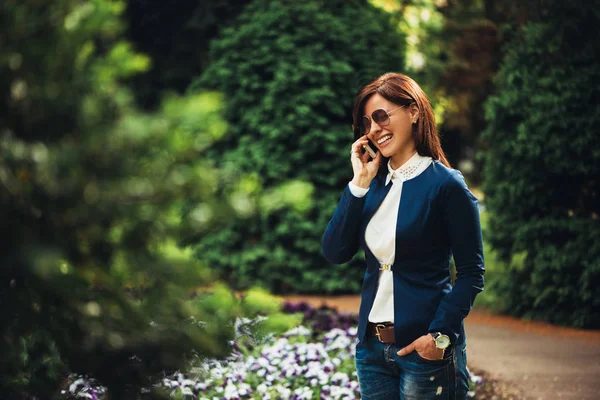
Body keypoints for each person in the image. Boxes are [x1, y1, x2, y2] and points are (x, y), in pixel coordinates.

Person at [321, 72, 485, 399]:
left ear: (413, 111)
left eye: (382, 116)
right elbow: (335, 251)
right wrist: (358, 183)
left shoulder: (446, 185)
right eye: (366, 123)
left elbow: (471, 274)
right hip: (372, 352)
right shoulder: (373, 185)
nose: (375, 129)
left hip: (424, 352)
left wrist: (438, 337)